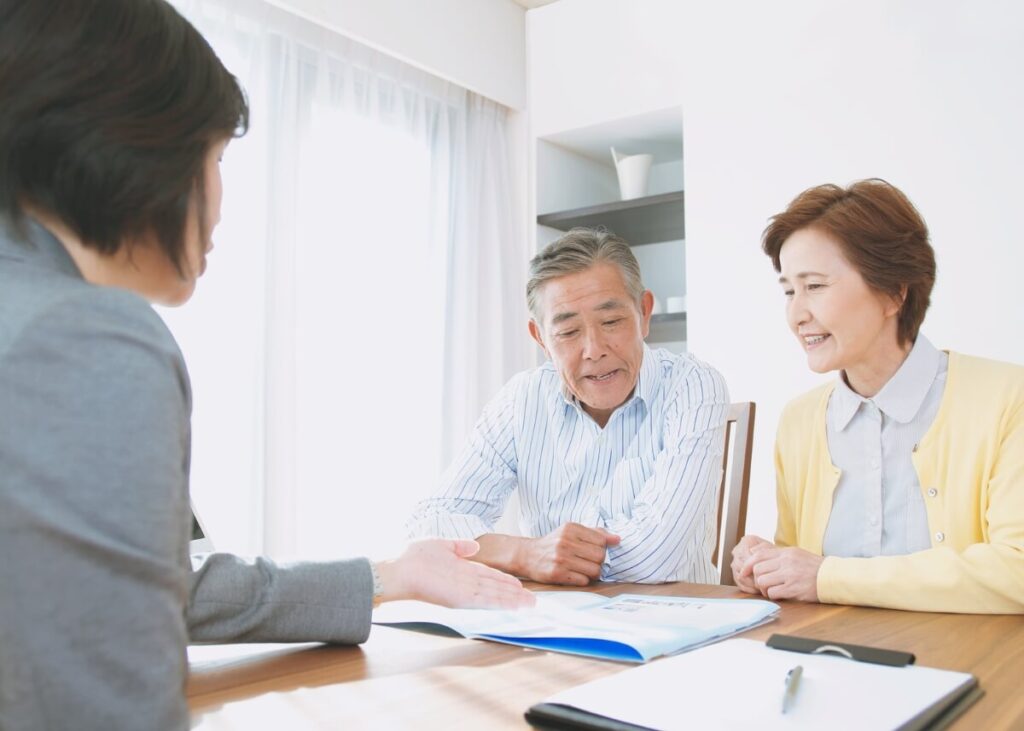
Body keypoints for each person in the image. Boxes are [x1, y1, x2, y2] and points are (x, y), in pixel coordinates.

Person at [0, 1, 532, 729]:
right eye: (216, 159)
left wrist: (392, 575)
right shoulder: (84, 338)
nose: (220, 202)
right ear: (135, 145)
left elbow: (169, 587)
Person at [731, 179, 1024, 613]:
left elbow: (1015, 571)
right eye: (789, 291)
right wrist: (764, 568)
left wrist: (825, 576)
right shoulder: (800, 421)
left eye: (814, 286)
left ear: (894, 292)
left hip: (968, 670)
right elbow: (800, 574)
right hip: (832, 662)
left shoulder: (1007, 398)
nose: (796, 314)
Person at [408, 228, 730, 585]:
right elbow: (428, 525)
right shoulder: (522, 399)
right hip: (554, 628)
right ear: (540, 338)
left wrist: (539, 557)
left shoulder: (693, 385)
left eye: (611, 322)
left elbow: (655, 559)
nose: (594, 349)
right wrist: (525, 554)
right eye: (568, 332)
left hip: (680, 628)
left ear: (644, 313)